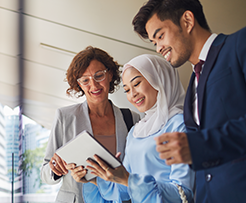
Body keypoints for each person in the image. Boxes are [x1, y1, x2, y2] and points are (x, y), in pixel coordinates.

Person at [132, 0, 246, 202]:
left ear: (187, 21)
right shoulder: (192, 84)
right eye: (154, 42)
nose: (158, 48)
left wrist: (199, 145)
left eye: (160, 36)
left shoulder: (239, 45)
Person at [69, 54, 195, 203]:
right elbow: (124, 190)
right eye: (127, 90)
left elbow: (184, 193)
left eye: (136, 84)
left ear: (159, 79)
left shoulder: (180, 125)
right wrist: (95, 178)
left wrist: (129, 180)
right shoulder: (135, 132)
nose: (133, 94)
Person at [40, 46, 140, 203]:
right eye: (85, 80)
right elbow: (45, 173)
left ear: (110, 75)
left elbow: (138, 169)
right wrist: (56, 169)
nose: (94, 86)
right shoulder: (65, 117)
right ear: (79, 84)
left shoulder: (131, 119)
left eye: (99, 75)